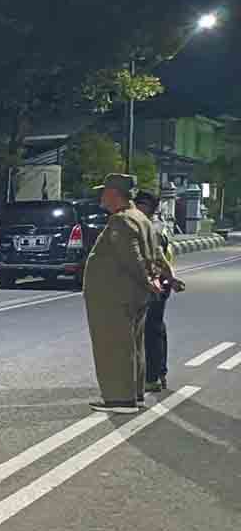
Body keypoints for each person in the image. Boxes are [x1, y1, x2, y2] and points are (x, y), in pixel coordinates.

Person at [83, 174, 163, 414]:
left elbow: (132, 257)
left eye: (104, 191)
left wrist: (148, 281)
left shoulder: (120, 220)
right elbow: (156, 253)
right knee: (133, 346)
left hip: (115, 296)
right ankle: (134, 395)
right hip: (133, 295)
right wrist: (161, 277)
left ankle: (120, 400)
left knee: (114, 347)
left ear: (114, 194)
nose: (101, 196)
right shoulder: (141, 217)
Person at [134, 190, 185, 393]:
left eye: (138, 204)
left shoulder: (151, 228)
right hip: (161, 282)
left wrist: (169, 280)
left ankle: (152, 377)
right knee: (156, 328)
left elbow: (156, 258)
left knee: (150, 331)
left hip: (155, 283)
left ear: (146, 207)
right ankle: (159, 373)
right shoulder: (158, 225)